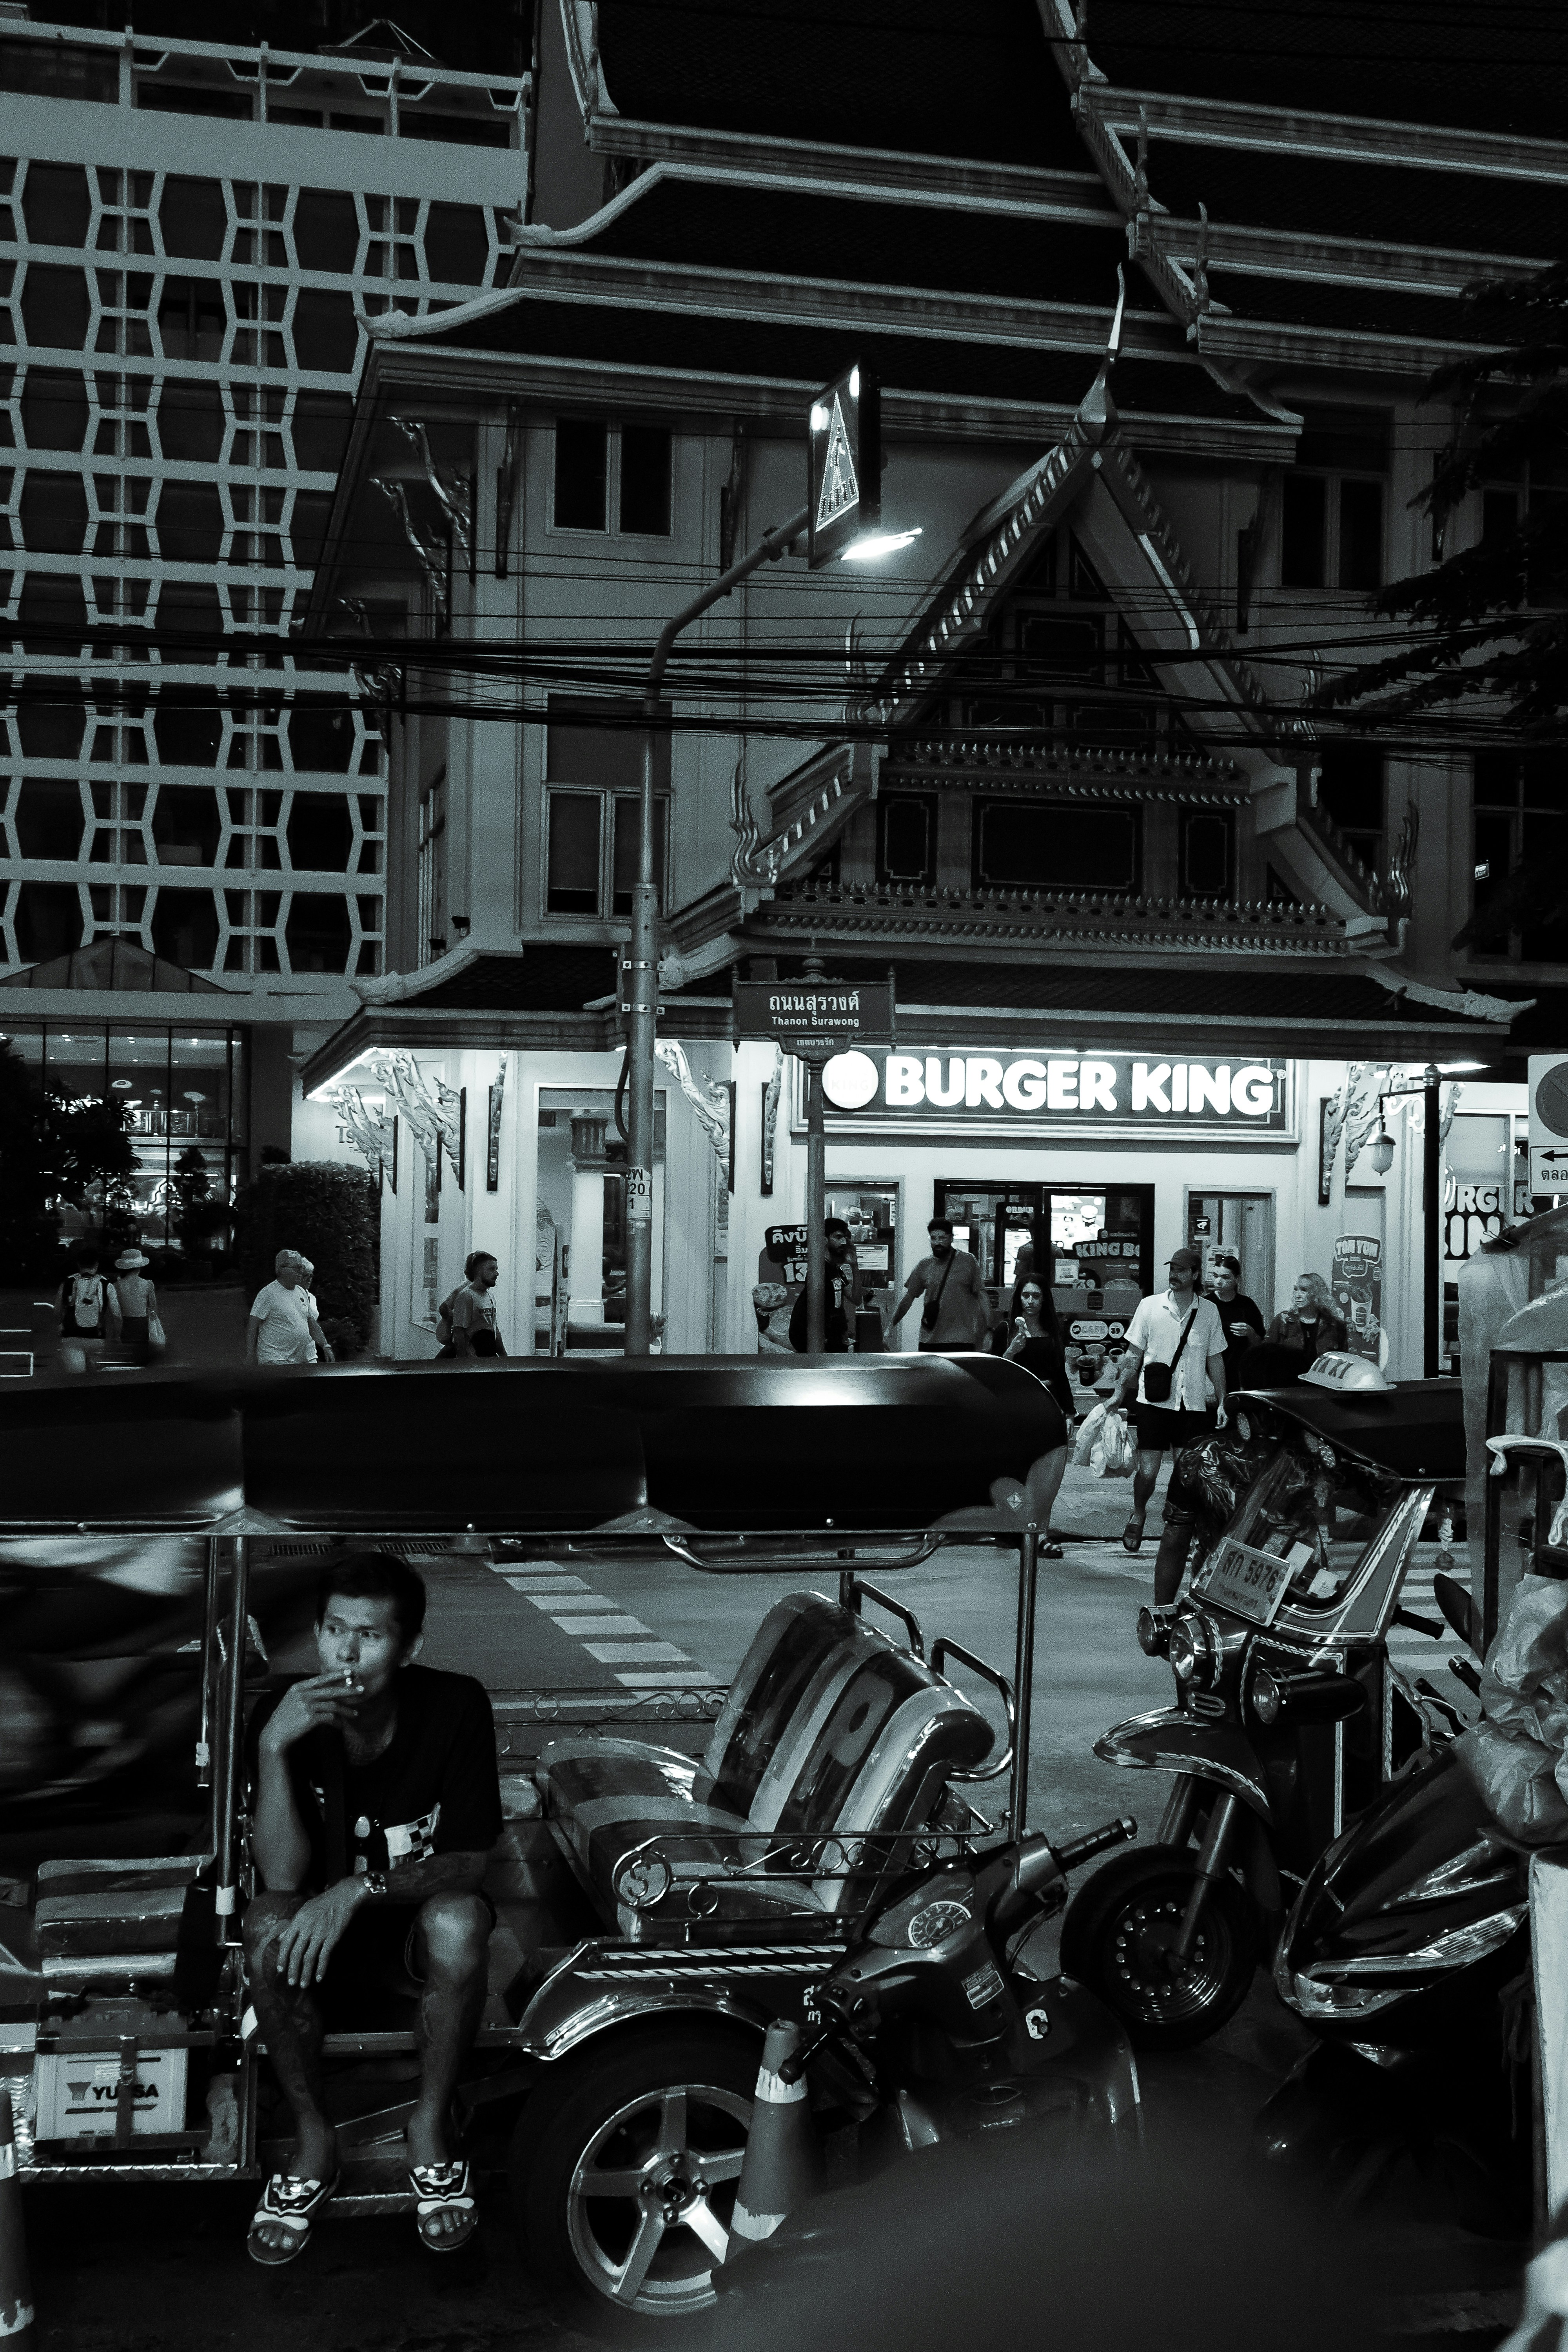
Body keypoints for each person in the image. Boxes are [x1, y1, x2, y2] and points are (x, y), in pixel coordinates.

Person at [242, 1551, 501, 2266]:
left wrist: (359, 1889)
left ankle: (427, 2125)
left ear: (410, 1645)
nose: (347, 1652)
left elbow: (471, 1861)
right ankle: (314, 2135)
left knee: (462, 1919)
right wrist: (272, 1748)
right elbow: (282, 1874)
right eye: (333, 1630)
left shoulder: (455, 1706)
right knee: (265, 1925)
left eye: (371, 1634)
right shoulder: (283, 1716)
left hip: (411, 1929)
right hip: (322, 1943)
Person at [1108, 1245, 1229, 1598]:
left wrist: (1223, 1401)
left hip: (1191, 1405)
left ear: (1194, 1275)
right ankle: (1139, 1512)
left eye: (1180, 1269)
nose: (1173, 1274)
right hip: (1154, 1402)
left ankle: (1181, 1529)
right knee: (1148, 1471)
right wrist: (1119, 1393)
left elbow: (1216, 1360)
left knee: (1187, 1475)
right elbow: (1134, 1354)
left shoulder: (1208, 1313)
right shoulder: (1150, 1306)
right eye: (1171, 1268)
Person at [1002, 1274, 1076, 1556]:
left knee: (1048, 1474)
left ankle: (1039, 1529)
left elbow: (1060, 1374)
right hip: (1018, 1411)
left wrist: (1069, 1412)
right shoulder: (1007, 1329)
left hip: (1048, 1409)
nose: (1030, 1302)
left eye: (1036, 1296)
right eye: (1026, 1296)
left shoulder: (1052, 1330)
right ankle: (1021, 1526)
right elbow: (995, 1371)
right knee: (1020, 1475)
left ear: (1045, 1300)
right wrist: (1012, 1350)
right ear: (1018, 1297)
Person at [890, 1218, 989, 1354]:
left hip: (961, 1340)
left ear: (951, 1238)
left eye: (942, 1238)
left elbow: (982, 1296)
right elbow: (908, 1299)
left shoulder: (968, 1261)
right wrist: (891, 1326)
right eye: (934, 1238)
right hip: (930, 1339)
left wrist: (989, 1330)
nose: (937, 1242)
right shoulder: (925, 1265)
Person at [247, 1249, 337, 1368]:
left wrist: (326, 1345)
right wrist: (250, 1356)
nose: (301, 1272)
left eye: (302, 1268)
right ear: (281, 1270)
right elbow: (253, 1325)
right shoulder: (268, 1294)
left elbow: (311, 1322)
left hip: (304, 1360)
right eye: (297, 1268)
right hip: (276, 1361)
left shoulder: (301, 1292)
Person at [788, 1218, 862, 1352]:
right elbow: (817, 1308)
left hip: (833, 1338)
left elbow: (856, 1299)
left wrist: (855, 1267)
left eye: (846, 1237)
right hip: (817, 1340)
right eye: (838, 1237)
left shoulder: (836, 1270)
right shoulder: (819, 1270)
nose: (844, 1242)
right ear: (825, 1240)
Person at [1206, 1252, 1267, 1394]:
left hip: (1239, 1373)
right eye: (1216, 1276)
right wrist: (1207, 1382)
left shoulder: (1246, 1305)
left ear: (1237, 1279)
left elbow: (1260, 1345)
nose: (1219, 1282)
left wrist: (1250, 1333)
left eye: (1225, 1277)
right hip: (1211, 1371)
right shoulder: (1207, 1304)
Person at [1265, 1272, 1348, 1364]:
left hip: (1319, 1377)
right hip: (1289, 1377)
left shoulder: (1334, 1326)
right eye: (1296, 1290)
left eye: (1304, 1290)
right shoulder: (1284, 1321)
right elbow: (1266, 1353)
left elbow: (1343, 1362)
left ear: (1317, 1294)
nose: (1298, 1295)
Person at [58, 1246, 118, 1371]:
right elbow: (117, 1315)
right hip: (97, 1338)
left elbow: (57, 1310)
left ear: (79, 1264)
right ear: (97, 1264)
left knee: (76, 1382)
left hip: (72, 1338)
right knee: (95, 1381)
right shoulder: (107, 1285)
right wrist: (116, 1336)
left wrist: (61, 1323)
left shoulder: (67, 1284)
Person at [446, 1252, 507, 1359]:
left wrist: (504, 1357)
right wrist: (463, 1362)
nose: (497, 1274)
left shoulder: (491, 1296)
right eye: (492, 1269)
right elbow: (459, 1332)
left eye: (496, 1269)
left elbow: (495, 1330)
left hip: (488, 1358)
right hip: (473, 1361)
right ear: (479, 1271)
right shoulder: (466, 1296)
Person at [113, 1248, 162, 1365]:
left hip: (125, 1325)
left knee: (127, 1359)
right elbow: (154, 1308)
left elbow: (116, 1311)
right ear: (140, 1267)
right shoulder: (148, 1284)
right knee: (142, 1358)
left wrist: (115, 1334)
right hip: (143, 1325)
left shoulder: (116, 1286)